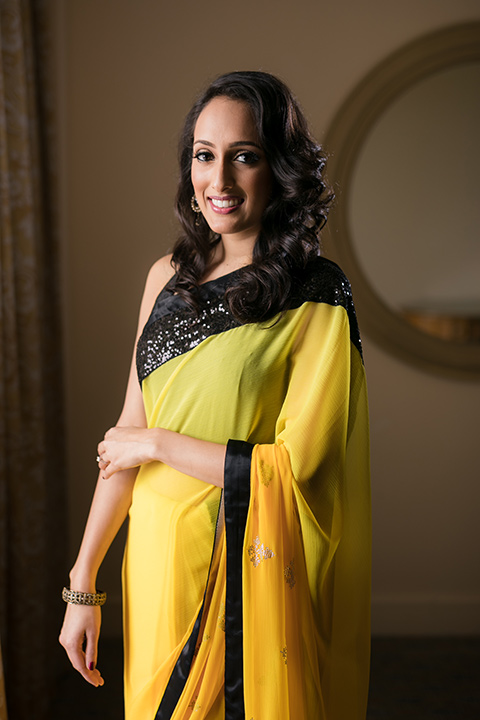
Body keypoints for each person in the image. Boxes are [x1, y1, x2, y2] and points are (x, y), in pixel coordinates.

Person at [59, 70, 371, 720]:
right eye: (205, 155)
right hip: (156, 567)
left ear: (279, 169)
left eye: (245, 156)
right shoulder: (165, 279)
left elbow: (299, 469)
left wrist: (159, 444)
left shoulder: (315, 294)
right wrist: (83, 584)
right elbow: (124, 439)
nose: (219, 179)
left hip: (247, 571)